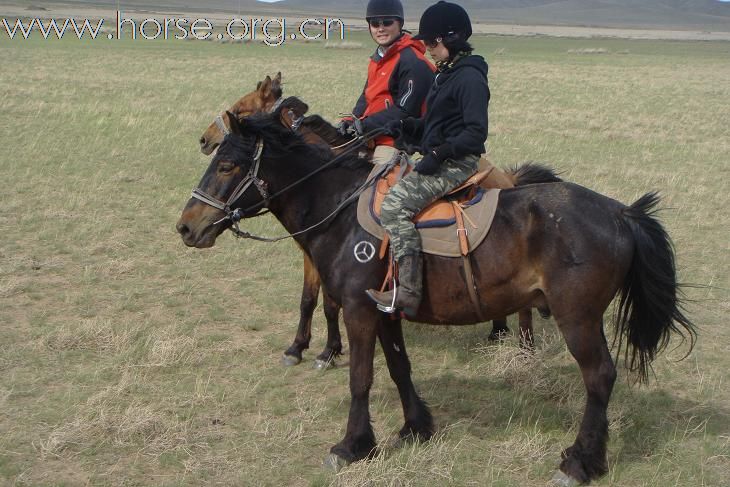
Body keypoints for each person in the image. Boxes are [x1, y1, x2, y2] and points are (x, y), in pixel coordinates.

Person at [366, 1, 490, 316]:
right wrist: (407, 126)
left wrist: (437, 154)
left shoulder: (470, 79)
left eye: (432, 42)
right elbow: (437, 125)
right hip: (440, 155)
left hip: (457, 163)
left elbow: (475, 134)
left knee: (394, 207)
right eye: (426, 42)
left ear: (453, 38)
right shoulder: (446, 75)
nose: (428, 48)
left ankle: (408, 291)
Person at [337, 0, 435, 166]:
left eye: (387, 22)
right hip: (370, 136)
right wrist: (351, 120)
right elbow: (366, 97)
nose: (380, 28)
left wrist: (366, 125)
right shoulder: (378, 58)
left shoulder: (412, 62)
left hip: (395, 142)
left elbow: (406, 110)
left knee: (374, 187)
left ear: (400, 24)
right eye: (375, 23)